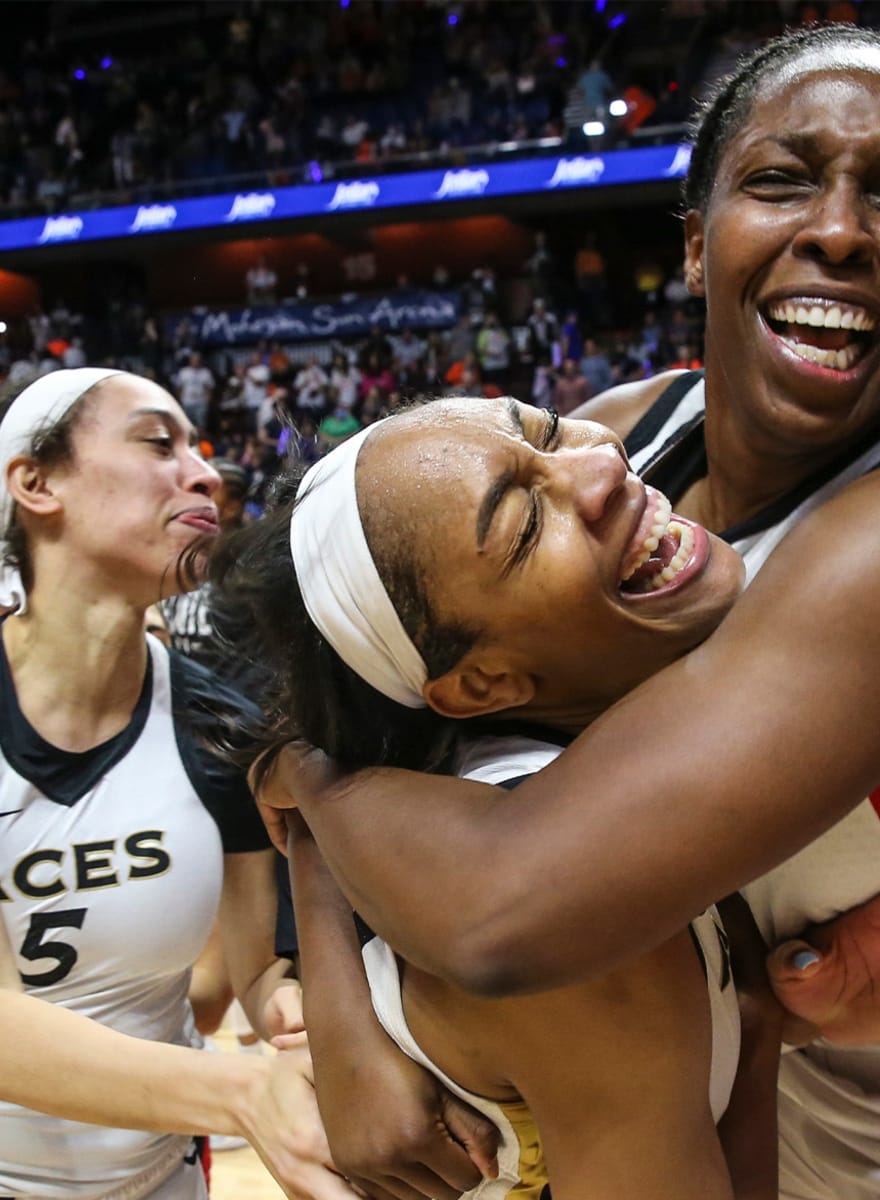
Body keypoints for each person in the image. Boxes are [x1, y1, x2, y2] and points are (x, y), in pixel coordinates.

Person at [254, 26, 880, 1200]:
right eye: (784, 179)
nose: (841, 230)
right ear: (697, 248)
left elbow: (504, 907)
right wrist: (339, 1005)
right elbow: (356, 710)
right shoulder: (620, 436)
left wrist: (309, 780)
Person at [213, 399, 778, 1197]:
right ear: (484, 685)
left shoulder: (549, 785)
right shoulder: (569, 921)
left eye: (544, 430)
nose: (604, 466)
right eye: (522, 525)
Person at [0, 369, 350, 1200]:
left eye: (201, 450)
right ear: (35, 483)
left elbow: (248, 978)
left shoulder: (219, 720)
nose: (207, 472)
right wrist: (249, 1092)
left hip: (155, 1180)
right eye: (157, 443)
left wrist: (292, 1011)